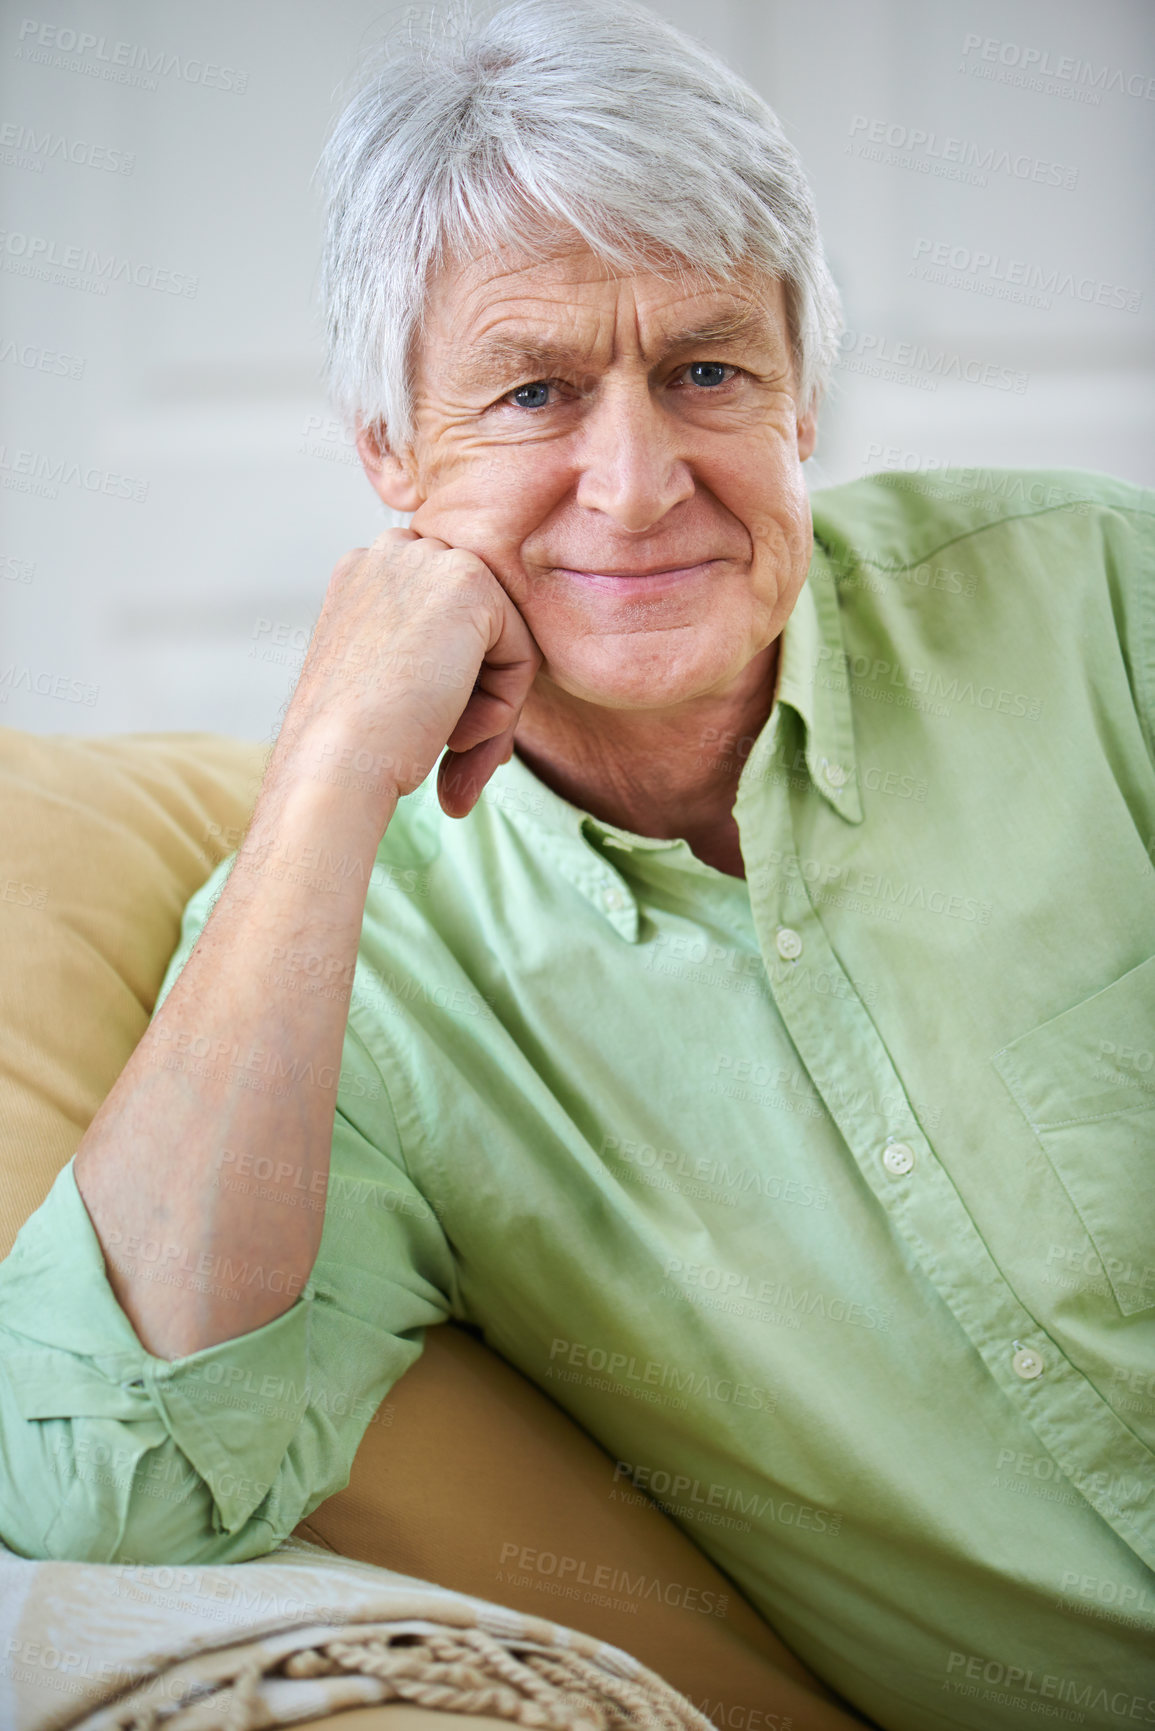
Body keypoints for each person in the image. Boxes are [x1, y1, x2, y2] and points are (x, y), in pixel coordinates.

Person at [1, 1, 1152, 1725]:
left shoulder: (1103, 606)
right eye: (534, 392)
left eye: (706, 369)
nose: (634, 486)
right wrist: (324, 776)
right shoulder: (359, 972)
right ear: (390, 455)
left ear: (803, 393)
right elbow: (110, 1483)